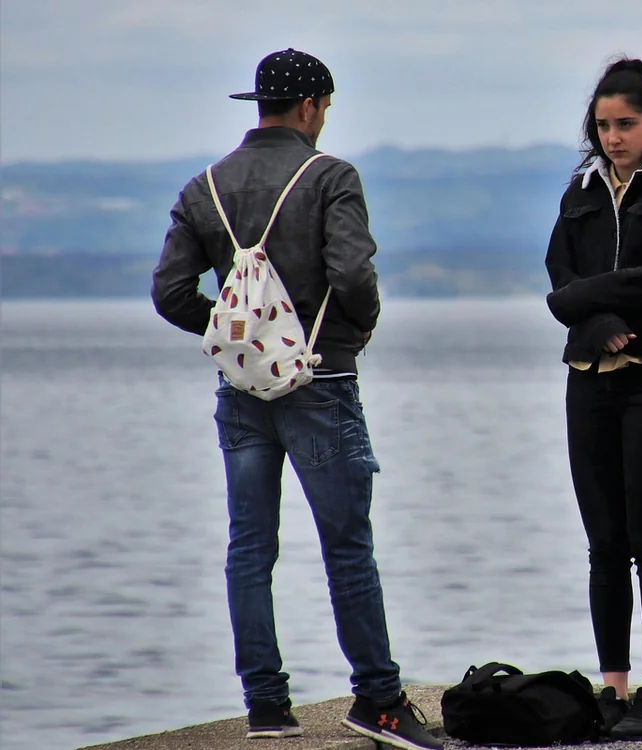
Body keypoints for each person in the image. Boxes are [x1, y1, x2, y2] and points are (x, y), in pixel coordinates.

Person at [150, 48, 441, 750]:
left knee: (249, 547)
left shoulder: (203, 187)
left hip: (241, 389)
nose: (324, 120)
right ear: (310, 106)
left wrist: (234, 330)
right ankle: (378, 701)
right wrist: (356, 332)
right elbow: (352, 274)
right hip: (321, 381)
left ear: (261, 106)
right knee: (347, 548)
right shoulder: (330, 176)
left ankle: (266, 707)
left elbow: (169, 292)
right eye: (326, 108)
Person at [543, 57, 642, 742]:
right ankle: (611, 689)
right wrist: (598, 321)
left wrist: (585, 301)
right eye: (605, 125)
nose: (613, 137)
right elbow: (558, 272)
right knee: (604, 546)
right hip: (589, 378)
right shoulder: (581, 187)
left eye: (626, 125)